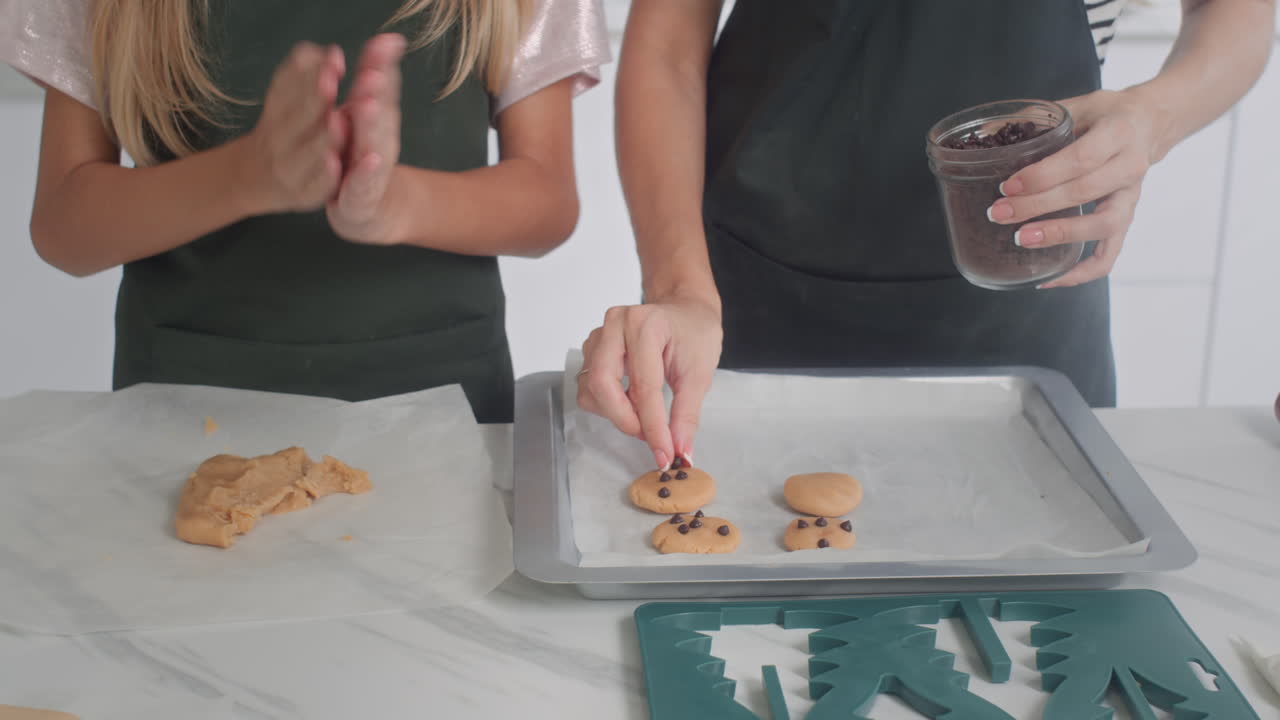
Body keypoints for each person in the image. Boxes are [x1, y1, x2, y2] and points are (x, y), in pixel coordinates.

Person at [577, 0, 1275, 469]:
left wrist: (1154, 117)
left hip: (1027, 289)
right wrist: (678, 290)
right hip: (753, 300)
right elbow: (668, 45)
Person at [0, 0, 609, 423]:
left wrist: (393, 204)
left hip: (445, 407)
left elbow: (546, 203)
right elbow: (63, 228)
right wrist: (246, 176)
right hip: (179, 416)